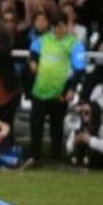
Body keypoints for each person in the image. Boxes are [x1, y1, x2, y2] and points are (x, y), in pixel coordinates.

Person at [27, 12, 86, 164]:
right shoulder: (45, 39)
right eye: (55, 27)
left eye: (60, 26)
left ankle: (55, 158)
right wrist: (33, 61)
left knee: (56, 125)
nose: (58, 30)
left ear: (67, 25)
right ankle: (35, 156)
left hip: (60, 91)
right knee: (36, 123)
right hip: (40, 89)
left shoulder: (74, 44)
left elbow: (79, 69)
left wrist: (72, 89)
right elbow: (33, 49)